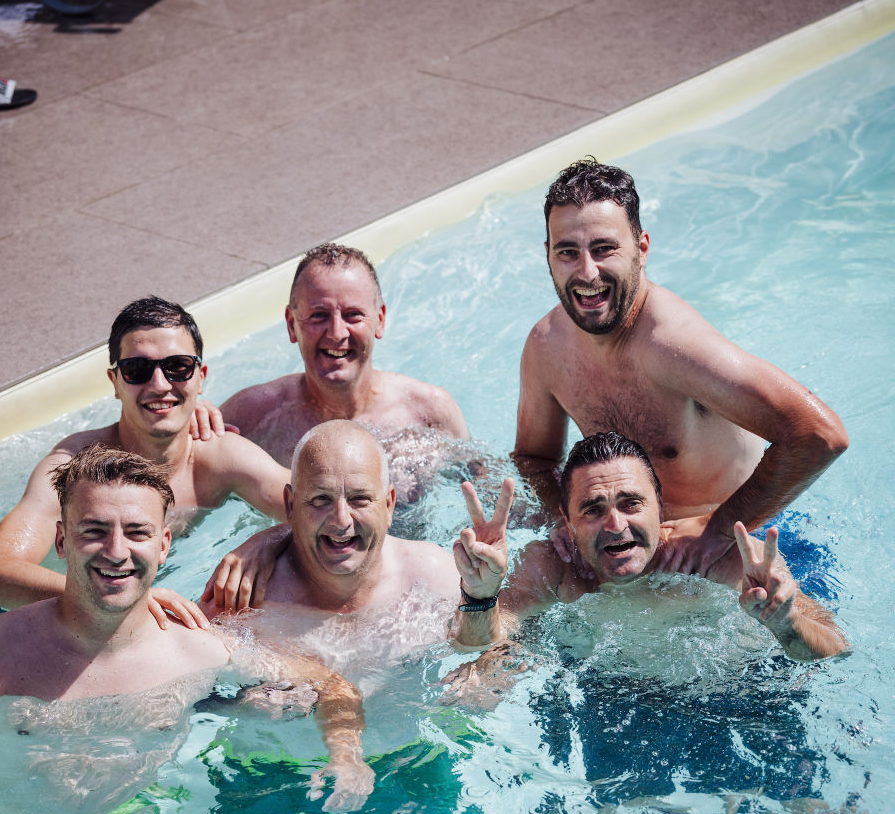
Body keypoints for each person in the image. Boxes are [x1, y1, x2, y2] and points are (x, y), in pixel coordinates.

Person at [0, 446, 371, 812]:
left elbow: (333, 687)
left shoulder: (201, 651)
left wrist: (346, 758)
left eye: (137, 532)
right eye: (94, 531)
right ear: (62, 540)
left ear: (163, 545)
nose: (116, 551)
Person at [514, 158, 849, 576]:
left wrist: (718, 530)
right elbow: (534, 459)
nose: (586, 272)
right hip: (627, 548)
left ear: (641, 249)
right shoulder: (547, 347)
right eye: (567, 252)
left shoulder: (676, 345)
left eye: (604, 249)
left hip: (741, 537)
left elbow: (819, 435)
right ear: (548, 255)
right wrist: (562, 520)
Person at [0, 296, 291, 628]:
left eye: (178, 367)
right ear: (115, 383)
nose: (159, 385)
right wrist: (126, 597)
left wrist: (267, 541)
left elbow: (319, 506)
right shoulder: (74, 467)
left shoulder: (220, 458)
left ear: (200, 376)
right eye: (137, 370)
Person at [450, 431, 848, 665]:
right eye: (593, 510)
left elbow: (836, 648)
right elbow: (476, 647)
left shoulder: (725, 558)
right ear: (567, 524)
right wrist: (480, 596)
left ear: (661, 508)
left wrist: (785, 621)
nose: (616, 525)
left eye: (631, 504)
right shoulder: (553, 568)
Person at [208, 419, 470, 677]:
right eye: (321, 499)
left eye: (360, 499)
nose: (341, 520)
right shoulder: (243, 598)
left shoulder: (433, 575)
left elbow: (483, 652)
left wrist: (483, 598)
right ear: (290, 505)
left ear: (389, 505)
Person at [220, 242, 470, 466]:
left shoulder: (430, 413)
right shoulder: (250, 418)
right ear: (291, 324)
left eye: (353, 315)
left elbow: (483, 487)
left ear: (380, 321)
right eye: (319, 315)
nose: (337, 333)